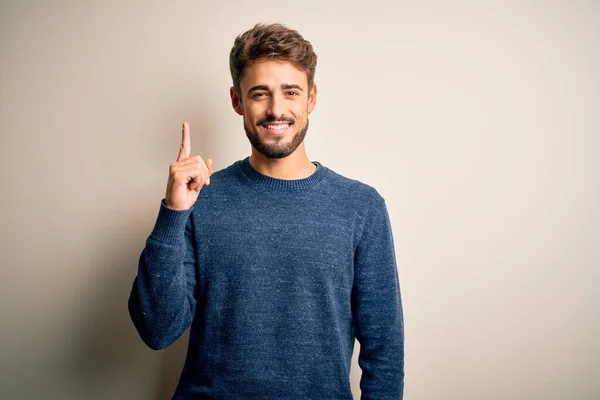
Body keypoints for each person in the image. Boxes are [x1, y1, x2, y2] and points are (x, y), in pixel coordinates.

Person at [128, 22, 404, 399]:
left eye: (291, 92)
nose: (277, 109)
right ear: (236, 100)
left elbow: (384, 353)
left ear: (311, 98)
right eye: (260, 93)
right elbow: (156, 330)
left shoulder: (361, 207)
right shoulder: (200, 198)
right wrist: (173, 213)